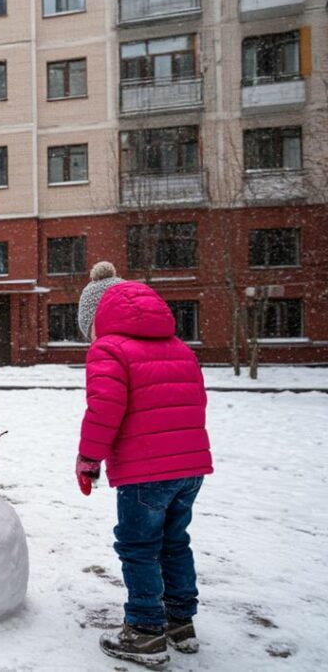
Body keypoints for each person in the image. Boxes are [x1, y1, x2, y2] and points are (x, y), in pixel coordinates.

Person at [75, 262, 213, 667]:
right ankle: (180, 621)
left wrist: (88, 459)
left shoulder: (109, 349)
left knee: (138, 548)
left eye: (89, 328)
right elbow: (193, 403)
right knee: (175, 542)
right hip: (189, 468)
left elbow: (104, 410)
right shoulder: (179, 346)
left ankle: (145, 631)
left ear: (97, 318)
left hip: (145, 471)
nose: (90, 337)